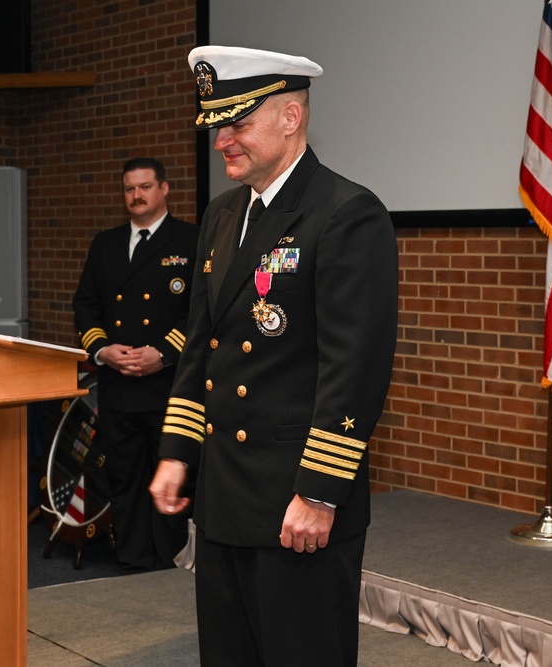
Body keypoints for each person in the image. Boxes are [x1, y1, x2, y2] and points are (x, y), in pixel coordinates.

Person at [149, 47, 398, 666]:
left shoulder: (345, 213)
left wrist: (319, 492)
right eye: (217, 126)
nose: (222, 141)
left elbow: (354, 368)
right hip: (225, 496)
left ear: (290, 117)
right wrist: (178, 453)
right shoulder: (220, 214)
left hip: (296, 504)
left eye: (237, 124)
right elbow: (202, 348)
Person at [73, 158, 199, 570]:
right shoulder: (105, 244)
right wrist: (102, 350)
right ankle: (131, 560)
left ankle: (171, 558)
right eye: (129, 189)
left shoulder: (190, 240)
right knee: (124, 477)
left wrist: (163, 352)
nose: (137, 196)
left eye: (145, 187)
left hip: (168, 387)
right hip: (119, 384)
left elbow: (202, 310)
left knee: (172, 476)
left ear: (165, 189)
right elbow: (86, 306)